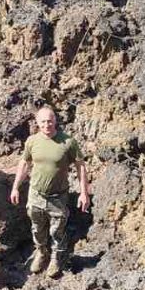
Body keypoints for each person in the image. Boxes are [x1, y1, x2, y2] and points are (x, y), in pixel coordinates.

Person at [10, 106, 90, 278]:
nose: (47, 124)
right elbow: (24, 164)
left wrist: (84, 193)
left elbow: (80, 167)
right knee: (37, 227)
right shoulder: (32, 141)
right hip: (36, 194)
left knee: (57, 230)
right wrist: (15, 187)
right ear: (38, 123)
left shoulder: (68, 142)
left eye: (50, 120)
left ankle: (57, 257)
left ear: (55, 120)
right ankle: (41, 252)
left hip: (58, 197)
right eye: (43, 121)